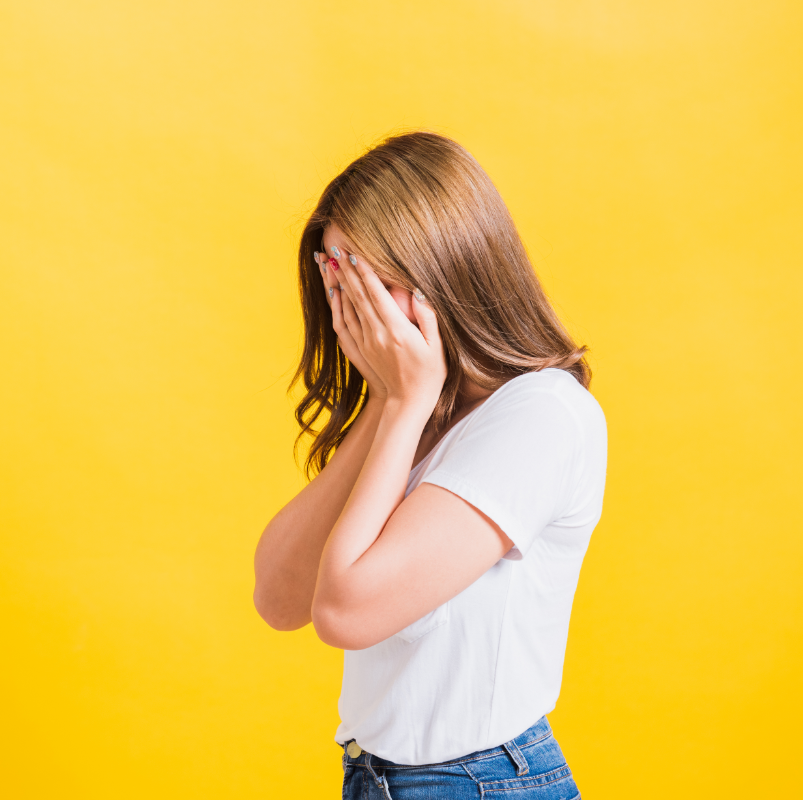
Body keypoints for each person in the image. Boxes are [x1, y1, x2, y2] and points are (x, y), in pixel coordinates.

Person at [253, 132, 606, 799]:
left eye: (373, 282)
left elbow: (345, 611)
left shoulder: (543, 415)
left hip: (480, 782)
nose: (357, 310)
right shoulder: (414, 415)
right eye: (338, 279)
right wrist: (391, 400)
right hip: (375, 777)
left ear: (446, 266)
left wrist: (406, 398)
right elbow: (279, 597)